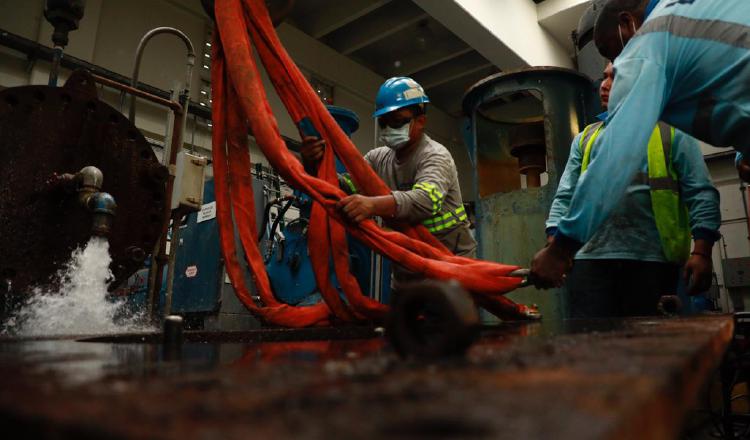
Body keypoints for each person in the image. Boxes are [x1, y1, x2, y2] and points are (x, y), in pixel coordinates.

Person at [531, 0, 750, 288]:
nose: (618, 68)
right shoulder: (696, 13)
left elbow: (614, 160)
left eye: (613, 53)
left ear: (627, 23)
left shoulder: (648, 44)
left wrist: (561, 249)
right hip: (593, 261)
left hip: (654, 260)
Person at [546, 62, 720, 317]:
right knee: (590, 348)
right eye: (603, 78)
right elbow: (565, 196)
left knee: (653, 349)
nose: (603, 86)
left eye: (614, 78)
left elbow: (701, 193)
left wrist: (702, 252)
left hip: (653, 263)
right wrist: (555, 247)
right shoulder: (585, 139)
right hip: (588, 264)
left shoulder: (672, 132)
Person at [301, 77, 476, 286]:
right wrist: (312, 164)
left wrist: (372, 205)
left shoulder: (435, 156)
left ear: (420, 121)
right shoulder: (377, 159)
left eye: (397, 121)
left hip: (451, 265)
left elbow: (426, 200)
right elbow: (343, 188)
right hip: (408, 269)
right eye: (384, 122)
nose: (389, 128)